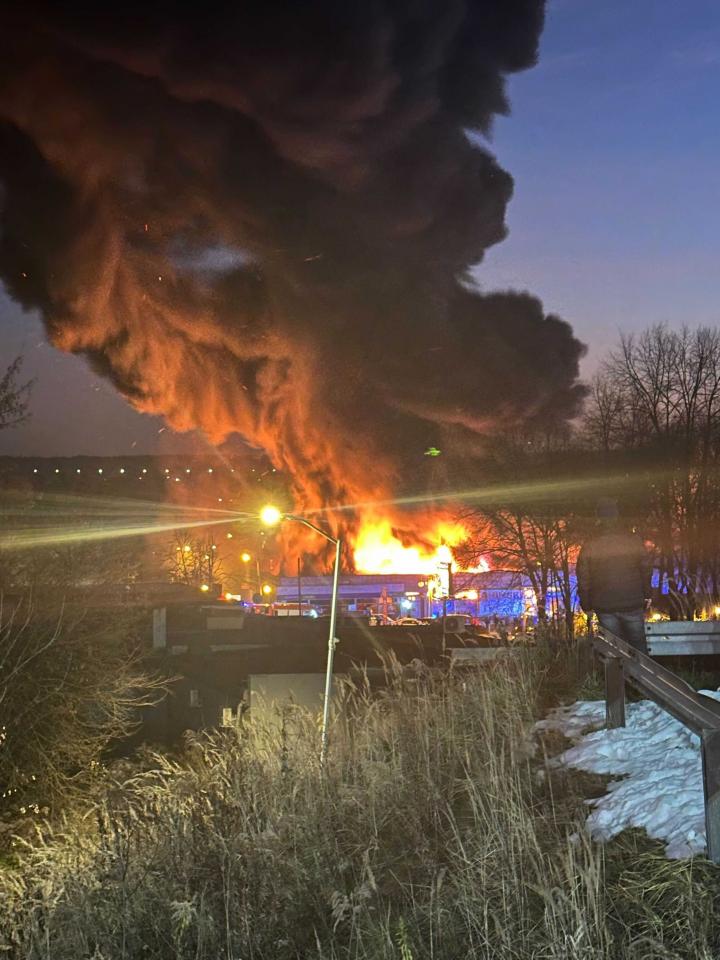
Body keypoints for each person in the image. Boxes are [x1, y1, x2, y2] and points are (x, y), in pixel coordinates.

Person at [576, 498, 651, 653]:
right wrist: (647, 594)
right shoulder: (633, 540)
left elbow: (583, 577)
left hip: (605, 604)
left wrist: (587, 604)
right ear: (617, 516)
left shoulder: (591, 544)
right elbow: (646, 568)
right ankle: (640, 677)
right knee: (639, 648)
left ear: (598, 517)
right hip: (632, 601)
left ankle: (618, 677)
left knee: (613, 650)